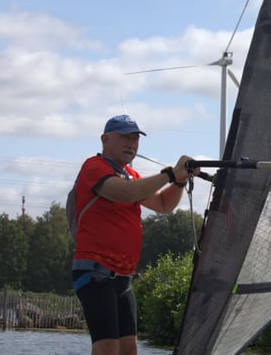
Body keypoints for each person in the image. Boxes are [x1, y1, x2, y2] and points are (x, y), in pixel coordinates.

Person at [71, 114, 199, 355]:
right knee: (108, 347)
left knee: (129, 349)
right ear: (105, 140)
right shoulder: (94, 167)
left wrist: (180, 181)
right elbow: (126, 193)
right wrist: (171, 174)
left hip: (123, 278)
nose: (131, 144)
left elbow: (163, 204)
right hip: (95, 273)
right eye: (124, 138)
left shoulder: (131, 175)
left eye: (135, 139)